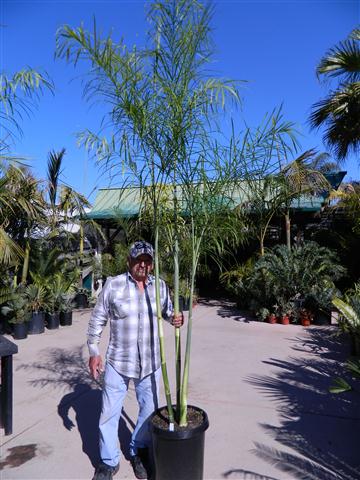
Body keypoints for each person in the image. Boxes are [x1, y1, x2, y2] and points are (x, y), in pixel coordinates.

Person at [87, 240, 184, 480]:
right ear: (129, 261)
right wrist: (93, 351)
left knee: (149, 411)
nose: (143, 264)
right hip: (117, 362)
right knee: (109, 413)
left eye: (147, 261)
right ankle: (108, 462)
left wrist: (176, 318)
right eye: (138, 260)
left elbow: (169, 312)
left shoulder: (159, 287)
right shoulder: (114, 285)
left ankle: (138, 451)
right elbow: (97, 318)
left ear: (151, 265)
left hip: (150, 363)